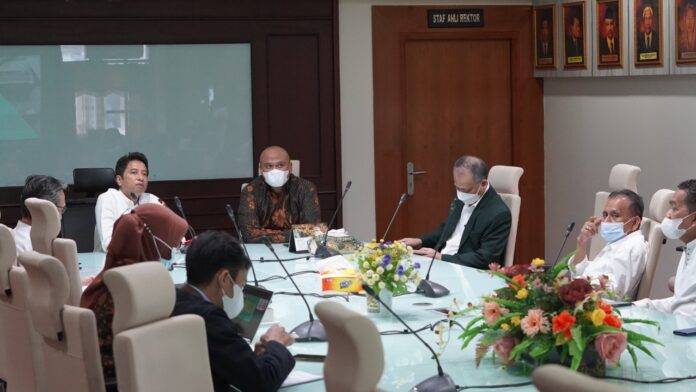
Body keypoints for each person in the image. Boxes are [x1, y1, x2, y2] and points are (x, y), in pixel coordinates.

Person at [171, 231, 295, 392]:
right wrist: (277, 345)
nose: (241, 293)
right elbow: (263, 382)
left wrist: (248, 360)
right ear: (224, 279)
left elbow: (220, 363)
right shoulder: (209, 319)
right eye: (241, 286)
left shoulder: (175, 298)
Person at [81, 203, 188, 381]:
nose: (175, 248)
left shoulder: (111, 277)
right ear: (149, 241)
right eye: (171, 242)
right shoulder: (133, 294)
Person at [400, 155, 511, 269]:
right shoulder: (464, 196)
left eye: (465, 190)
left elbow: (486, 258)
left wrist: (442, 257)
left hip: (465, 270)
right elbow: (446, 230)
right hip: (440, 262)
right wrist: (420, 241)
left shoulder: (499, 214)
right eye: (457, 187)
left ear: (483, 184)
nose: (460, 193)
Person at [569, 190, 647, 300]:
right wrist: (581, 242)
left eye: (615, 215)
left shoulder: (633, 246)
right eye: (605, 214)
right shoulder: (618, 242)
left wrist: (575, 287)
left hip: (601, 310)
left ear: (634, 223)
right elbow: (580, 273)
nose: (606, 221)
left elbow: (613, 291)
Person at [635, 180, 696, 316]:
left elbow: (686, 312)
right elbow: (679, 303)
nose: (668, 214)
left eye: (674, 208)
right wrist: (637, 307)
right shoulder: (690, 248)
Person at [238, 146, 320, 243]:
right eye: (269, 166)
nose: (275, 170)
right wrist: (295, 234)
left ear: (290, 167)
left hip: (297, 250)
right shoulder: (250, 191)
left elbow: (312, 230)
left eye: (280, 165)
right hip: (261, 250)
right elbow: (248, 234)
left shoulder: (306, 188)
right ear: (261, 169)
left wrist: (262, 234)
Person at [95, 152, 163, 252]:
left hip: (147, 262)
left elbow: (169, 235)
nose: (141, 178)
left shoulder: (153, 200)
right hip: (111, 264)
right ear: (119, 180)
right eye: (134, 172)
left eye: (144, 174)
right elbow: (110, 245)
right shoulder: (107, 199)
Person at [14, 174, 66, 254]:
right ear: (46, 209)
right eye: (61, 209)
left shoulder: (14, 237)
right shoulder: (35, 247)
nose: (60, 217)